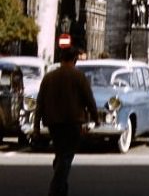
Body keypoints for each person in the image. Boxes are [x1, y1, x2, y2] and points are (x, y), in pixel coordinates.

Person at [33, 46, 99, 196]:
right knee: (66, 156)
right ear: (74, 59)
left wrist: (36, 126)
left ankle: (61, 188)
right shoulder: (79, 77)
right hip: (73, 122)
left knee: (61, 153)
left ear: (61, 59)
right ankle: (56, 187)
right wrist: (95, 118)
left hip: (53, 123)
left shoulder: (49, 77)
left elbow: (40, 103)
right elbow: (89, 100)